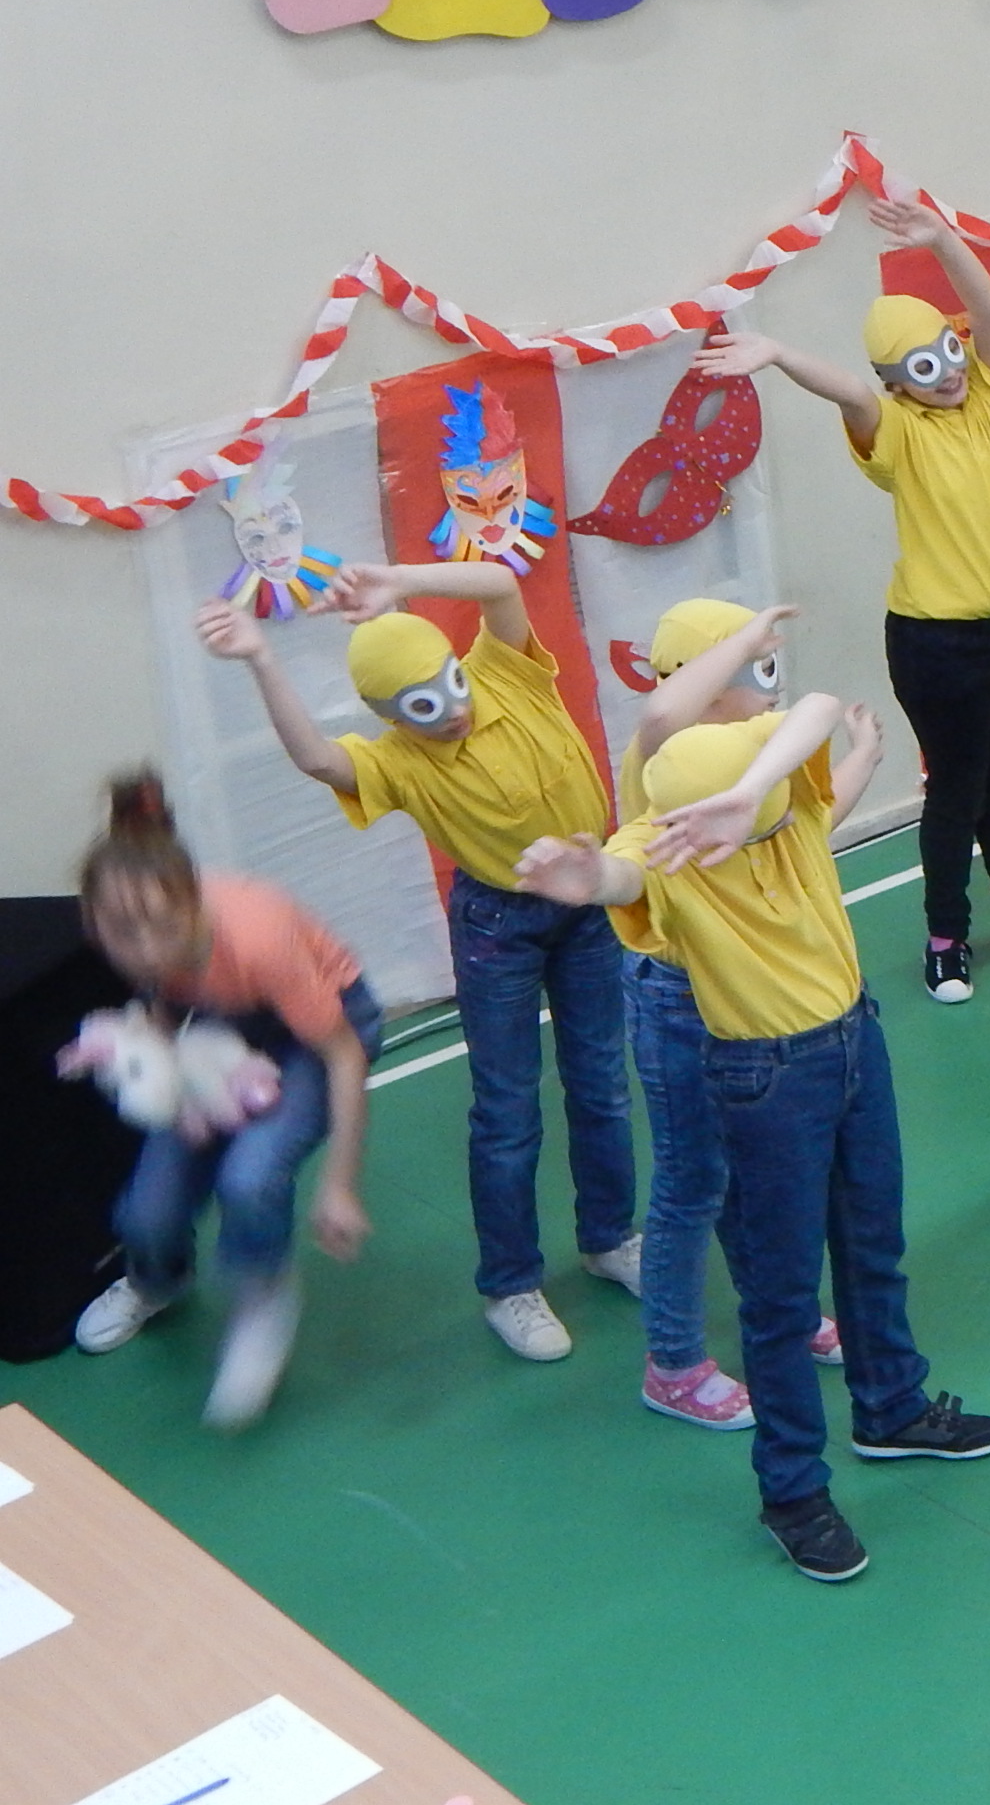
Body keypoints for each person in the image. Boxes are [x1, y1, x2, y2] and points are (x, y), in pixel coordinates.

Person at [517, 693, 990, 1584]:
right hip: (765, 1079)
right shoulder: (670, 857)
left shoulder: (789, 806)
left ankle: (891, 1408)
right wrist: (586, 878)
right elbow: (620, 878)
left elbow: (815, 708)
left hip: (856, 1041)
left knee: (873, 1242)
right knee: (780, 1299)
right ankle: (792, 1493)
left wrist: (753, 789)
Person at [196, 558, 634, 1364]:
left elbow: (499, 584)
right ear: (389, 716)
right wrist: (260, 657)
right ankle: (510, 1284)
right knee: (507, 1109)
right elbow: (318, 759)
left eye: (449, 686)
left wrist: (397, 583)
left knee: (602, 1080)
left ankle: (610, 1237)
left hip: (589, 904)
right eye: (423, 708)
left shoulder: (504, 673)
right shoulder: (398, 762)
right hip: (499, 925)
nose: (453, 711)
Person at [697, 187, 990, 1004]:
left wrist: (943, 240)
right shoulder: (896, 435)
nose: (947, 373)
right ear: (898, 384)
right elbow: (850, 394)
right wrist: (777, 352)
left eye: (947, 353)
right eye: (922, 369)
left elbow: (987, 312)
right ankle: (946, 937)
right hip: (937, 643)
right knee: (956, 791)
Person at [66, 774, 377, 1430]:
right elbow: (167, 1000)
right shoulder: (148, 943)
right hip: (223, 1031)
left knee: (250, 1176)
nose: (146, 950)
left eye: (160, 929)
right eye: (122, 933)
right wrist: (139, 1053)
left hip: (319, 1032)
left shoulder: (257, 935)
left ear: (193, 904)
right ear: (94, 925)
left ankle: (262, 1295)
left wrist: (340, 1186)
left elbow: (344, 1055)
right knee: (147, 1213)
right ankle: (158, 1281)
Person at [611, 597, 854, 1430]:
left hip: (748, 989)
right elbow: (658, 716)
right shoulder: (663, 759)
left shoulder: (755, 749)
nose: (770, 689)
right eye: (754, 671)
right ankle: (673, 1364)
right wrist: (738, 642)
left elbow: (814, 750)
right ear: (703, 684)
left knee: (755, 1170)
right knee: (692, 1180)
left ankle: (785, 1311)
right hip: (680, 994)